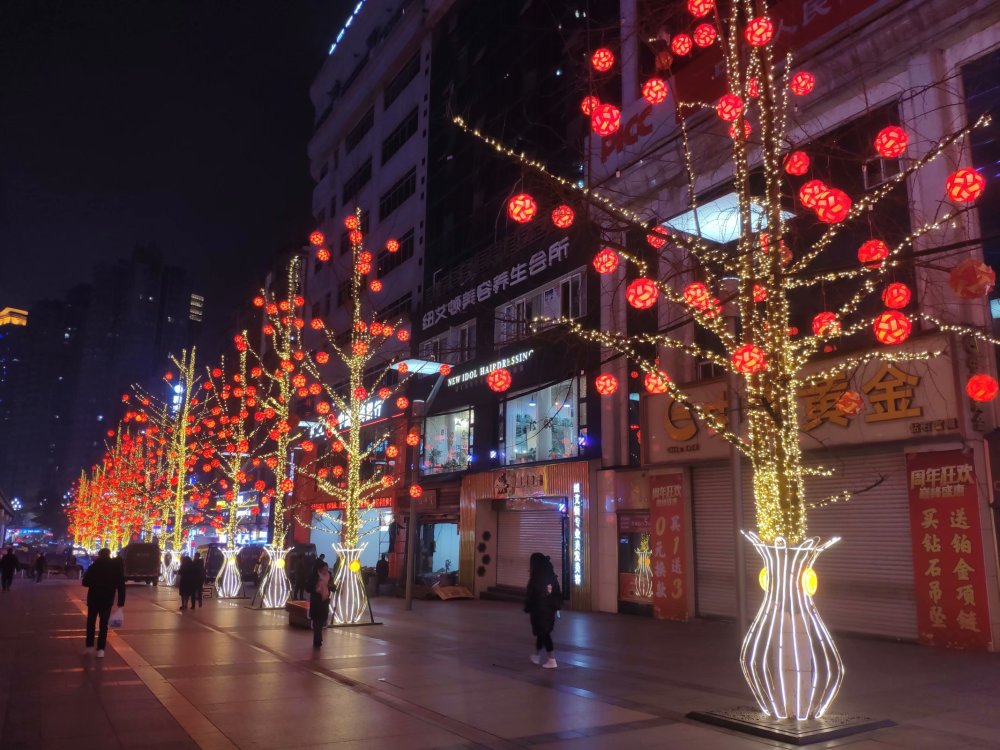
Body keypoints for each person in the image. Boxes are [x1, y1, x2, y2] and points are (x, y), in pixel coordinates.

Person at [82, 548, 126, 657]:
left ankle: (89, 647)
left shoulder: (94, 566)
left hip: (93, 599)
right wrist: (120, 603)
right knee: (103, 625)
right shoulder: (115, 568)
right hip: (107, 600)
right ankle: (101, 650)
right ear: (109, 555)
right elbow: (121, 586)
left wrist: (95, 583)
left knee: (91, 623)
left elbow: (85, 582)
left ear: (100, 555)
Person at [524, 552, 562, 669]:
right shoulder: (550, 574)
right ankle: (537, 655)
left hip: (540, 610)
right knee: (542, 632)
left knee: (544, 634)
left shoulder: (537, 576)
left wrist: (528, 606)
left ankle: (551, 659)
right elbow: (557, 593)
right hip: (549, 609)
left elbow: (532, 593)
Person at [308, 559, 332, 648]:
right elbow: (308, 588)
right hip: (316, 601)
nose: (326, 570)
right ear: (320, 569)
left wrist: (332, 587)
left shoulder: (329, 576)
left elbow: (331, 586)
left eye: (327, 568)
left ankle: (318, 638)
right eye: (324, 568)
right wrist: (316, 590)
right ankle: (317, 639)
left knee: (321, 622)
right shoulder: (314, 576)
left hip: (325, 601)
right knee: (316, 622)